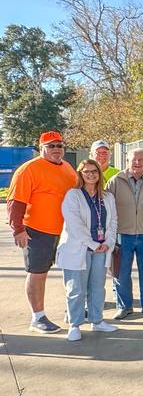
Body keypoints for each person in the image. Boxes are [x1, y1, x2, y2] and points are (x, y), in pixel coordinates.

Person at [7, 131, 78, 334]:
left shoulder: (67, 168)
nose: (56, 149)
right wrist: (18, 229)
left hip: (65, 232)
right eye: (51, 146)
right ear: (41, 149)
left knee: (71, 271)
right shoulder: (29, 169)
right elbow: (15, 202)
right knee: (37, 273)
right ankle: (37, 317)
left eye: (59, 145)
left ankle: (73, 310)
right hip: (37, 231)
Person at [57, 159, 119, 341]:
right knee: (76, 289)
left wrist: (109, 241)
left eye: (94, 171)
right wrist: (93, 244)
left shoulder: (107, 197)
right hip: (79, 248)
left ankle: (97, 321)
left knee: (97, 288)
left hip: (102, 249)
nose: (91, 174)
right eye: (86, 172)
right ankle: (75, 325)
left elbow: (113, 221)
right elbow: (74, 225)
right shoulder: (73, 195)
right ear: (80, 174)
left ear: (100, 174)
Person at [107, 148, 143, 320]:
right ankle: (124, 306)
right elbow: (106, 207)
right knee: (121, 272)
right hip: (122, 234)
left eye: (141, 159)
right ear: (127, 162)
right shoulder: (116, 181)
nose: (137, 162)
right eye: (134, 159)